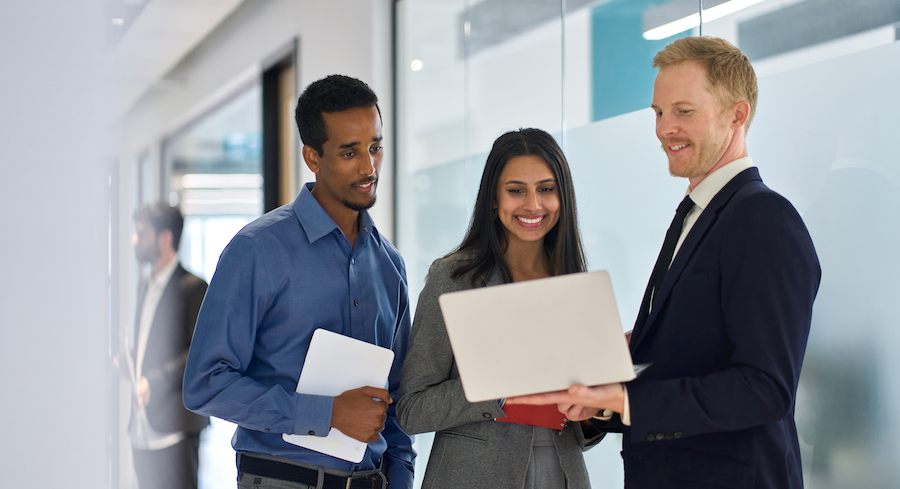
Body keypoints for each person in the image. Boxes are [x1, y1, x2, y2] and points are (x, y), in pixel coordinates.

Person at [509, 37, 821, 489]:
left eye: (684, 111)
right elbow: (687, 356)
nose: (664, 128)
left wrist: (628, 398)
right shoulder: (697, 215)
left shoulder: (763, 219)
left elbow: (764, 388)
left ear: (737, 114)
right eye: (658, 113)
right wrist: (603, 399)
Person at [183, 75, 415, 489]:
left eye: (375, 147)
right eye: (349, 153)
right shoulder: (257, 250)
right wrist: (325, 413)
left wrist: (402, 478)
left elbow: (396, 400)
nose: (369, 167)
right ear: (312, 156)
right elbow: (204, 384)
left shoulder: (390, 265)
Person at [397, 128, 605, 489]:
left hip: (562, 473)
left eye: (546, 189)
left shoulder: (572, 282)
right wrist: (500, 383)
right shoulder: (453, 278)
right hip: (474, 476)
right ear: (493, 199)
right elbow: (412, 409)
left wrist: (594, 409)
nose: (533, 205)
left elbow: (582, 427)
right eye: (516, 191)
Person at [128, 203, 209, 489]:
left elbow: (198, 353)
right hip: (141, 425)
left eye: (141, 233)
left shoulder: (193, 287)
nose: (134, 241)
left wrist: (153, 381)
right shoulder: (144, 287)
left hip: (175, 425)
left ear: (165, 238)